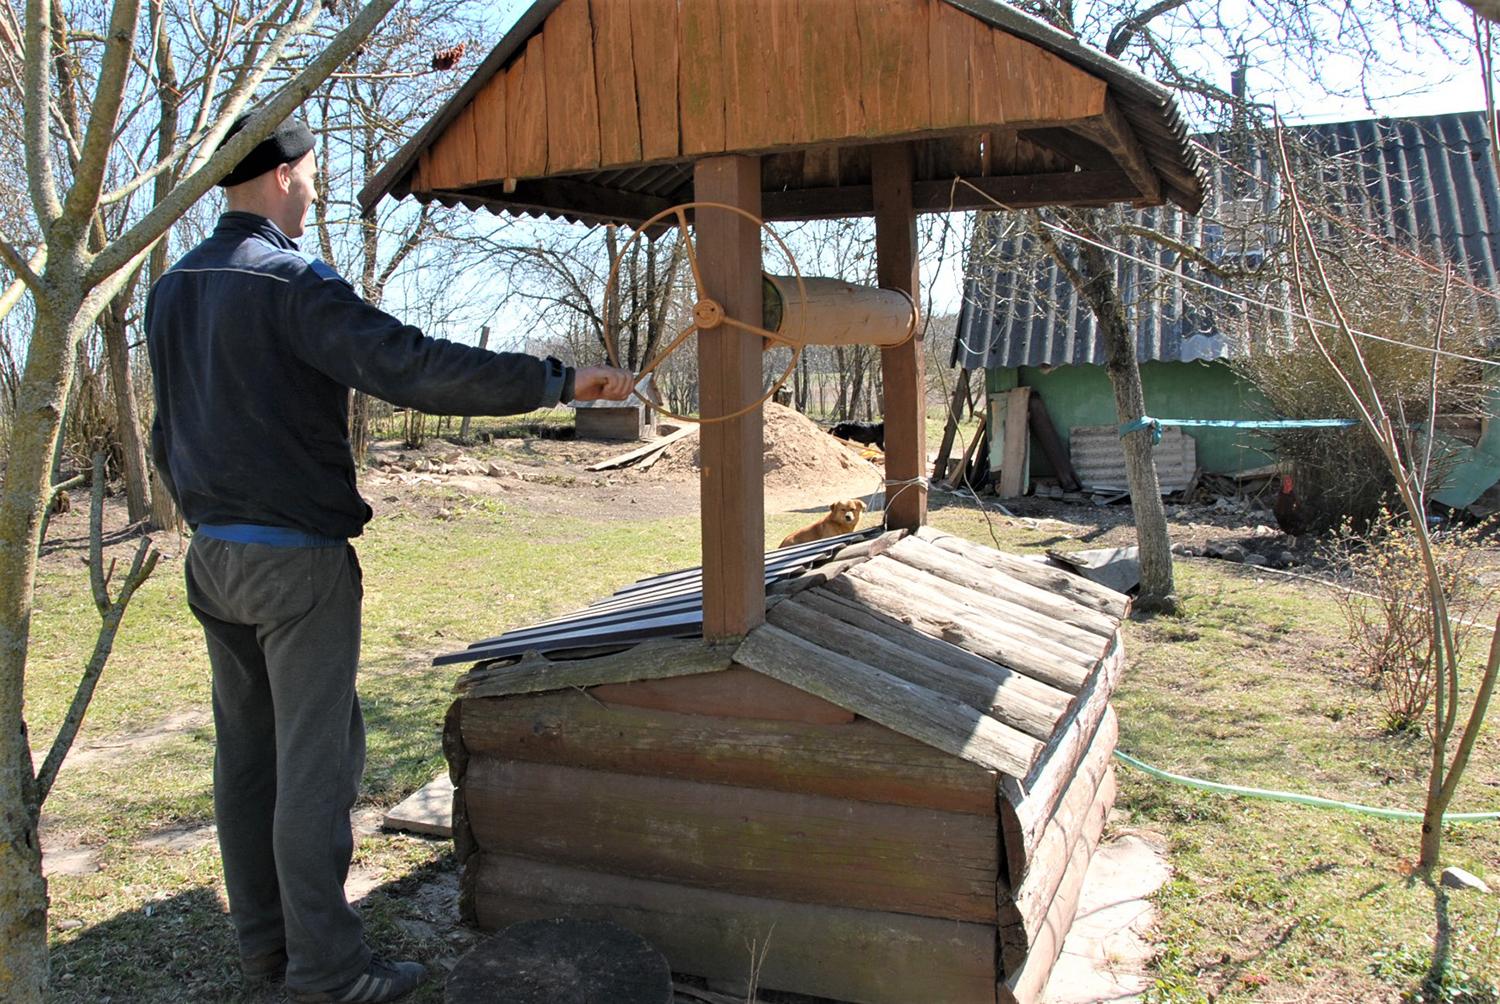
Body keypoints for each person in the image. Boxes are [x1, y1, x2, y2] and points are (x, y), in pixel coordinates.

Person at [145, 111, 632, 1004]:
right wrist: (555, 382)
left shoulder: (172, 284)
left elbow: (162, 431)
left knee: (246, 761)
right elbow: (410, 366)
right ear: (287, 175)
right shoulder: (290, 283)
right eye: (315, 171)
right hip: (296, 566)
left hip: (212, 558)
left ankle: (265, 951)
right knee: (312, 768)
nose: (318, 186)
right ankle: (327, 971)